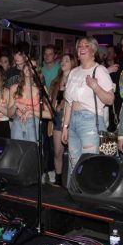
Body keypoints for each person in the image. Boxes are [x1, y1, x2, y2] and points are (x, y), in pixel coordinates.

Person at [62, 36, 115, 187]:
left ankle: (89, 198)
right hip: (73, 120)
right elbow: (68, 103)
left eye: (86, 46)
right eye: (80, 46)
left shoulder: (100, 70)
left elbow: (110, 100)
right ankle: (73, 197)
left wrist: (95, 87)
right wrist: (65, 126)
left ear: (93, 51)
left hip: (90, 121)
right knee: (73, 163)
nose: (82, 48)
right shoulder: (74, 72)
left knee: (88, 163)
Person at [48, 54, 78, 186]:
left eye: (67, 60)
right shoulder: (55, 81)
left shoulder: (76, 79)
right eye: (62, 60)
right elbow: (50, 101)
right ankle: (59, 179)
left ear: (73, 63)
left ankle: (75, 181)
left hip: (72, 118)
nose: (63, 62)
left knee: (73, 152)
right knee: (57, 151)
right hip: (57, 118)